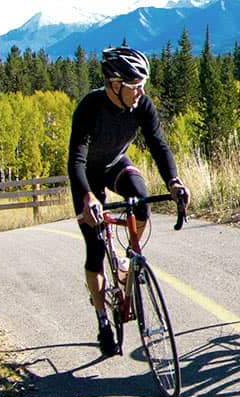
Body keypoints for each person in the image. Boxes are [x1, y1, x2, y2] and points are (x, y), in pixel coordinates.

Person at [70, 46, 190, 356]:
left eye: (142, 85)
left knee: (141, 202)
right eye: (134, 86)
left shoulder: (142, 105)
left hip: (115, 164)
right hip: (88, 177)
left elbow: (158, 145)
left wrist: (174, 182)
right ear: (114, 84)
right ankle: (102, 319)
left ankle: (128, 261)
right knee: (95, 249)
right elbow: (76, 160)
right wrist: (87, 198)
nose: (140, 92)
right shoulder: (89, 108)